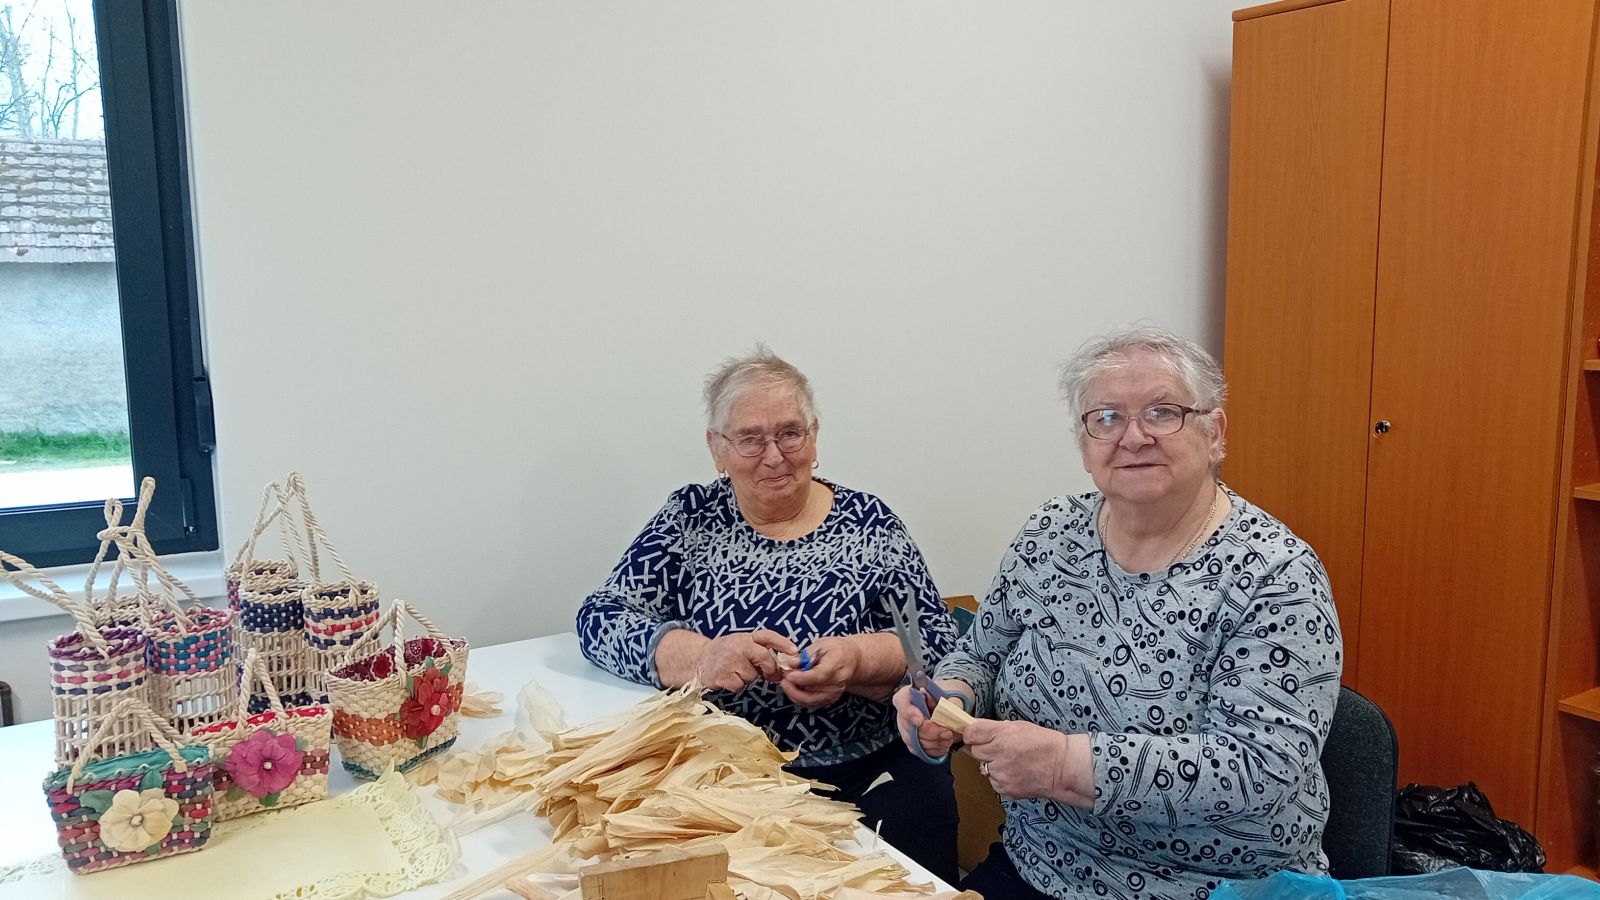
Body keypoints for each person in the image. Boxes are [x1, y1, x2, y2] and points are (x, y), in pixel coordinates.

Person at [896, 324, 1342, 900]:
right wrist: (949, 697)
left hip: (1209, 886)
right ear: (1085, 445)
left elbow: (1262, 770)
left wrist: (1063, 764)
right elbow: (981, 650)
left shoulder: (1274, 575)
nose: (1132, 437)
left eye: (1162, 413)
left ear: (1215, 433)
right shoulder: (1050, 534)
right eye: (1106, 417)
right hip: (1046, 862)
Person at [577, 345, 960, 883]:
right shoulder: (691, 518)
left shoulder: (869, 523)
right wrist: (702, 657)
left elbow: (940, 646)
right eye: (751, 439)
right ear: (717, 448)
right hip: (723, 783)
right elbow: (599, 618)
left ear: (814, 436)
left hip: (874, 770)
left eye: (789, 433)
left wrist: (855, 659)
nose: (774, 455)